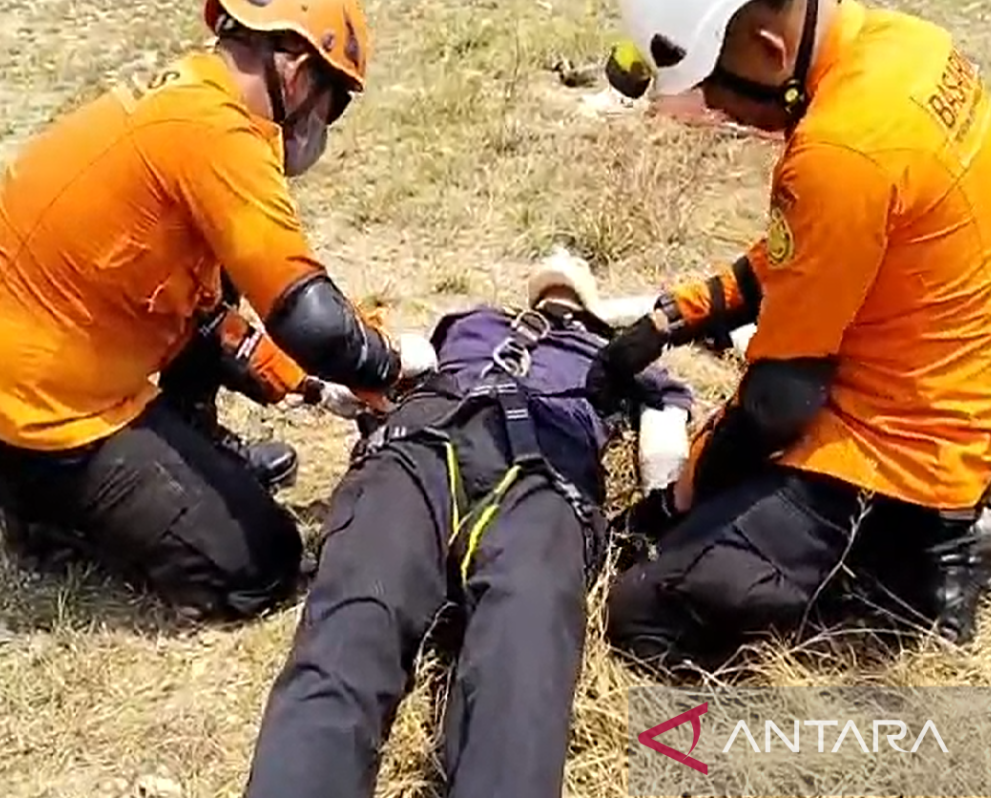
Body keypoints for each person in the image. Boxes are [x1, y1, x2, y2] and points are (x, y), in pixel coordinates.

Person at [0, 0, 437, 621]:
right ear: (301, 71)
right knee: (260, 562)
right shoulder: (221, 135)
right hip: (27, 413)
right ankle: (44, 513)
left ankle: (183, 449)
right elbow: (312, 320)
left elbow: (202, 311)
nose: (325, 124)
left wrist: (308, 384)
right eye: (338, 101)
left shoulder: (187, 99)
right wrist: (385, 363)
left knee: (220, 277)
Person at [590, 0, 991, 671]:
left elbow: (778, 404)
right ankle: (940, 533)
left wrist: (677, 497)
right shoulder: (905, 47)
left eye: (714, 85)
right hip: (952, 398)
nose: (715, 107)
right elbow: (810, 254)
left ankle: (911, 578)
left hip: (899, 457)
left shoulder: (839, 145)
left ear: (768, 48)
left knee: (648, 608)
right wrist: (672, 319)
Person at [240, 257, 694, 798]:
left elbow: (664, 436)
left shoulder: (624, 354)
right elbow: (398, 364)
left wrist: (654, 510)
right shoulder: (469, 320)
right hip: (423, 449)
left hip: (539, 473)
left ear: (595, 312)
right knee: (353, 627)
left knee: (522, 658)